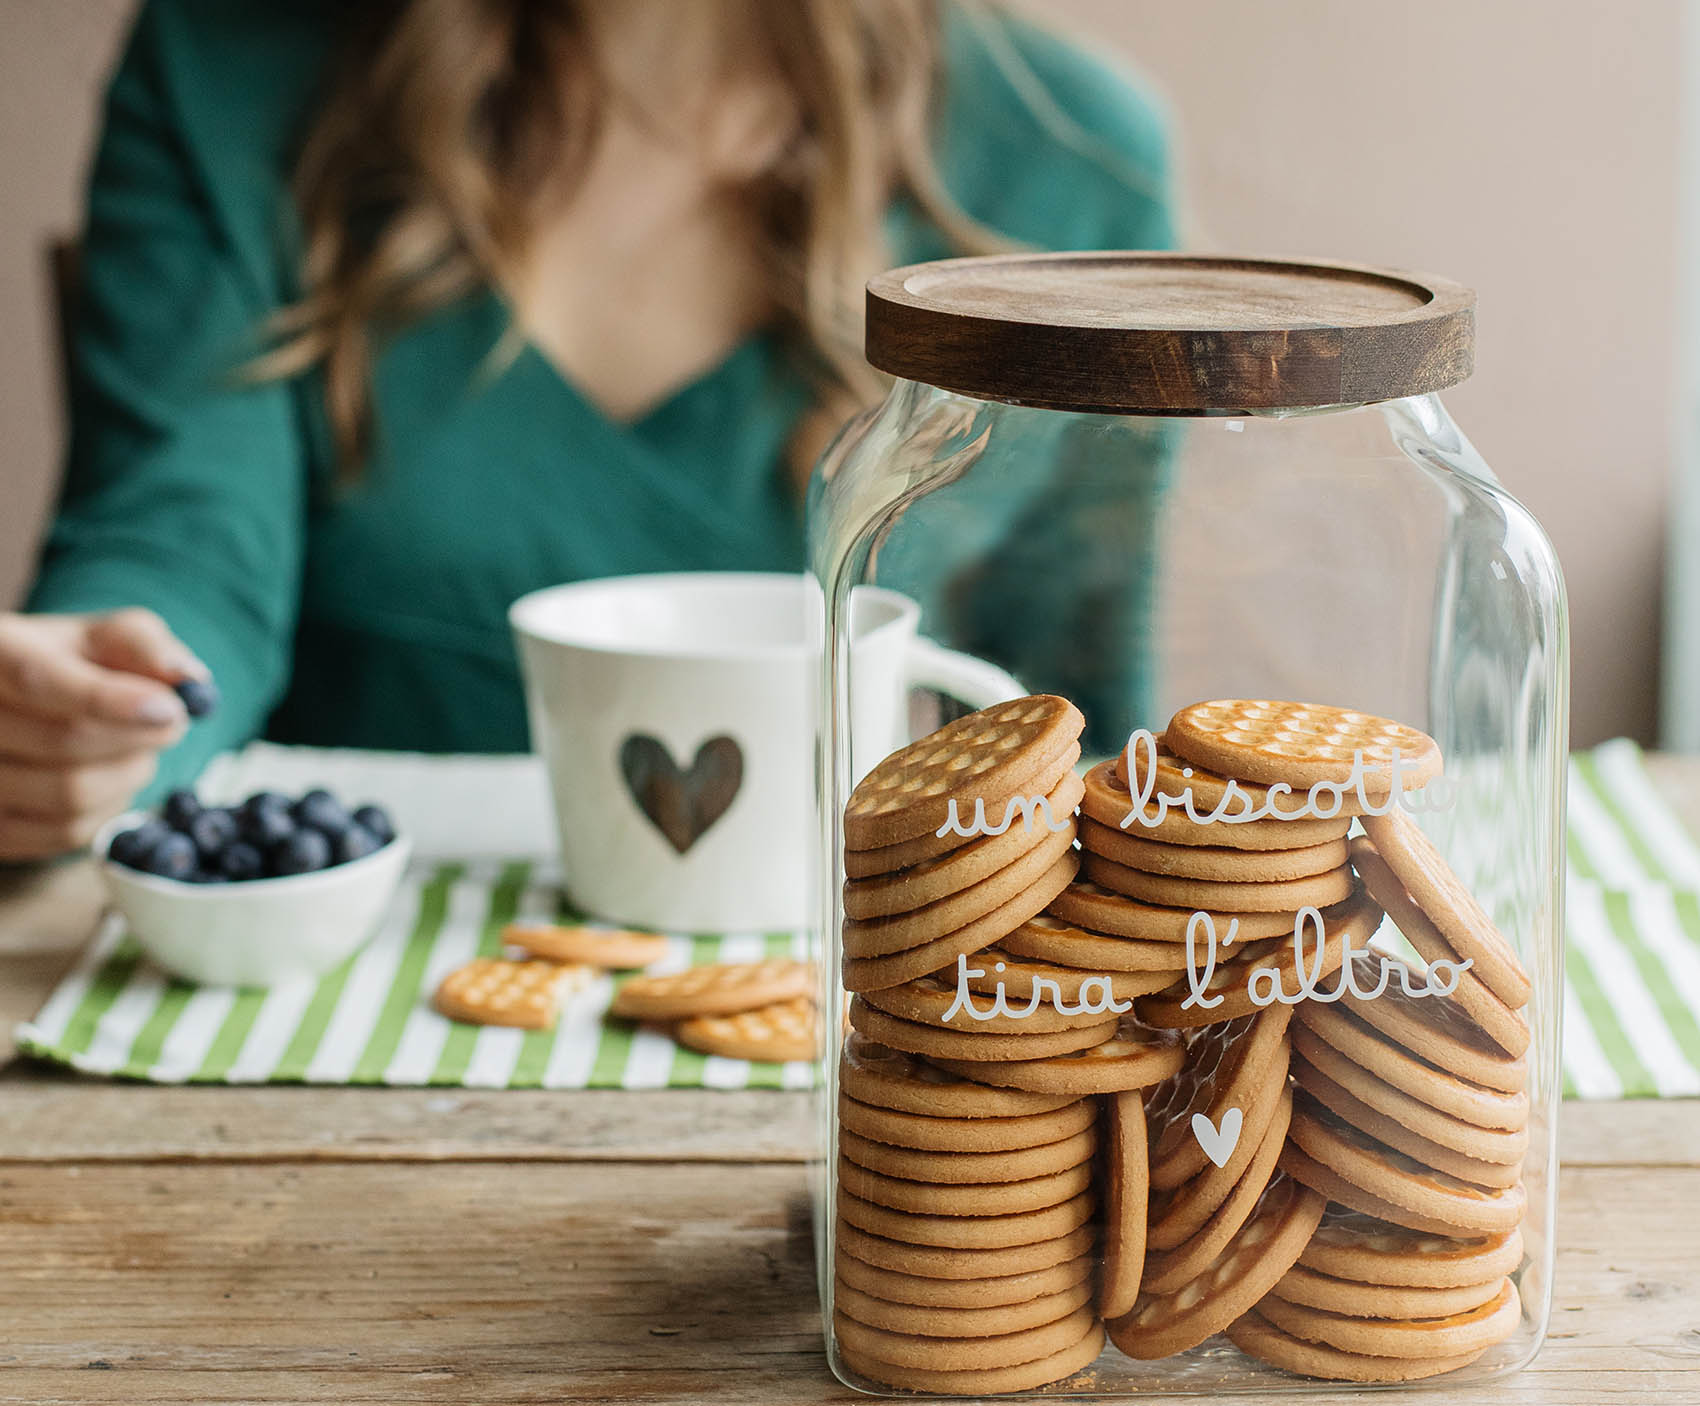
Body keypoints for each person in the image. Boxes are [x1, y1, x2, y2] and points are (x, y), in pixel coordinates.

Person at [1, 0, 1174, 864]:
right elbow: (176, 537)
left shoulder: (1075, 157)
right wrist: (95, 715)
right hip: (330, 995)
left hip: (841, 1016)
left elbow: (1076, 711)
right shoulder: (221, 76)